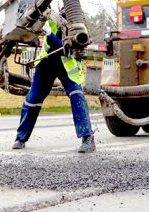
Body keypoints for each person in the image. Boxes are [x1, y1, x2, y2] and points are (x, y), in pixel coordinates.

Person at [12, 9, 95, 153]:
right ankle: (20, 138)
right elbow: (38, 34)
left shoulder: (80, 29)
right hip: (46, 64)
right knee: (33, 99)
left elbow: (66, 49)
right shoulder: (50, 22)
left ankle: (88, 138)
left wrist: (50, 34)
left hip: (67, 67)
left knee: (77, 95)